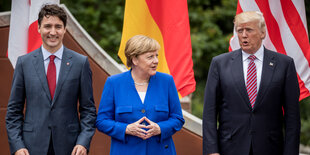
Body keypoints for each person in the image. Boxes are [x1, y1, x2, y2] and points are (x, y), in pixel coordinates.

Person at [203, 11, 300, 155]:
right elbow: (209, 112)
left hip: (270, 148)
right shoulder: (220, 63)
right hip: (230, 148)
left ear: (262, 33)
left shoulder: (284, 64)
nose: (243, 35)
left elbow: (292, 117)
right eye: (239, 30)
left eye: (249, 30)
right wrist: (212, 151)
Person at [6, 4, 97, 155]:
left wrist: (83, 142)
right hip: (31, 148)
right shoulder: (24, 63)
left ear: (65, 29)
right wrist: (17, 146)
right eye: (47, 26)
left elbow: (88, 110)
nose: (53, 32)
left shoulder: (80, 63)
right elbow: (13, 112)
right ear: (38, 28)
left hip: (70, 147)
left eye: (58, 26)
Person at [96, 35, 184, 155]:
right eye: (150, 57)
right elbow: (102, 121)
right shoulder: (114, 83)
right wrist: (126, 129)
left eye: (156, 55)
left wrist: (160, 128)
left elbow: (178, 118)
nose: (156, 61)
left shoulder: (166, 81)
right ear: (134, 59)